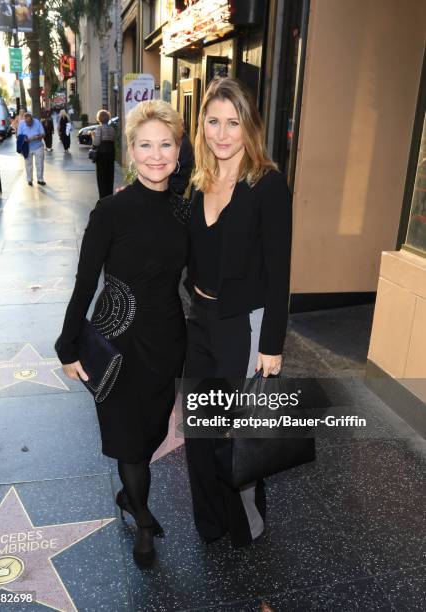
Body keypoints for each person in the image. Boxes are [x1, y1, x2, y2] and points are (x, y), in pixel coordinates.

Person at [54, 100, 188, 568]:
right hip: (118, 343)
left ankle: (132, 496)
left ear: (177, 150)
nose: (156, 155)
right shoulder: (111, 211)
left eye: (165, 144)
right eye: (146, 145)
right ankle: (143, 520)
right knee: (130, 441)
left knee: (150, 435)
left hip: (166, 342)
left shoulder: (184, 211)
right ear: (130, 151)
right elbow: (85, 280)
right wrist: (67, 343)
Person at [183, 77, 293, 548]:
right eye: (213, 122)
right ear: (201, 125)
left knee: (236, 432)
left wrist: (272, 344)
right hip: (200, 322)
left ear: (249, 127)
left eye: (233, 122)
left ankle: (246, 525)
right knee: (198, 433)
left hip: (244, 326)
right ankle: (210, 522)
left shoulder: (267, 184)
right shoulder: (197, 180)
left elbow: (280, 271)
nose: (222, 134)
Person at [17, 111, 46, 186]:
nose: (28, 124)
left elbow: (43, 134)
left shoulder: (37, 122)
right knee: (28, 164)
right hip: (27, 147)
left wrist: (36, 137)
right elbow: (18, 136)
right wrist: (24, 139)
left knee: (39, 164)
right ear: (24, 120)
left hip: (38, 146)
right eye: (27, 123)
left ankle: (40, 179)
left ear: (32, 119)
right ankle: (29, 179)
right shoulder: (21, 124)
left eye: (30, 122)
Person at [93, 109, 116, 198]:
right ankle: (110, 196)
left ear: (99, 119)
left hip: (101, 155)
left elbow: (96, 143)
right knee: (110, 176)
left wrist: (93, 136)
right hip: (110, 154)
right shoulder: (112, 129)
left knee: (101, 177)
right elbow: (113, 140)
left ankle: (102, 197)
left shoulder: (99, 128)